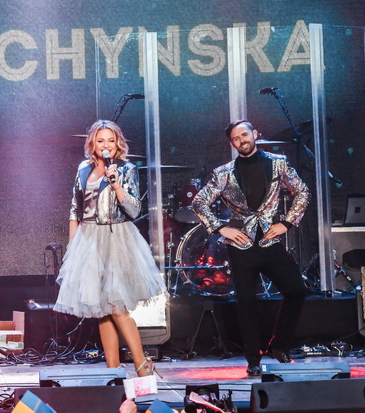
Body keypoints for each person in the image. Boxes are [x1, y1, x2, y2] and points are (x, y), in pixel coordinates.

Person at [192, 120, 310, 376]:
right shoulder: (223, 172)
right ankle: (253, 359)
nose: (242, 140)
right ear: (232, 143)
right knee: (246, 302)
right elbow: (199, 202)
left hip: (270, 239)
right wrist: (220, 228)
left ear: (255, 134)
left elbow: (302, 192)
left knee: (297, 290)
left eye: (245, 135)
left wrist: (287, 223)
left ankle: (280, 346)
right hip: (241, 244)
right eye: (236, 138)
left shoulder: (278, 163)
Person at [54, 120, 167, 376]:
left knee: (117, 307)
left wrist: (115, 184)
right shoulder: (83, 168)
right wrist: (73, 248)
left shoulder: (126, 169)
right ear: (93, 143)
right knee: (101, 311)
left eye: (111, 141)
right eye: (101, 140)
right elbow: (75, 208)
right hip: (88, 239)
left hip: (116, 237)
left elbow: (135, 209)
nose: (106, 145)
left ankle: (142, 364)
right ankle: (112, 370)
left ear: (118, 144)